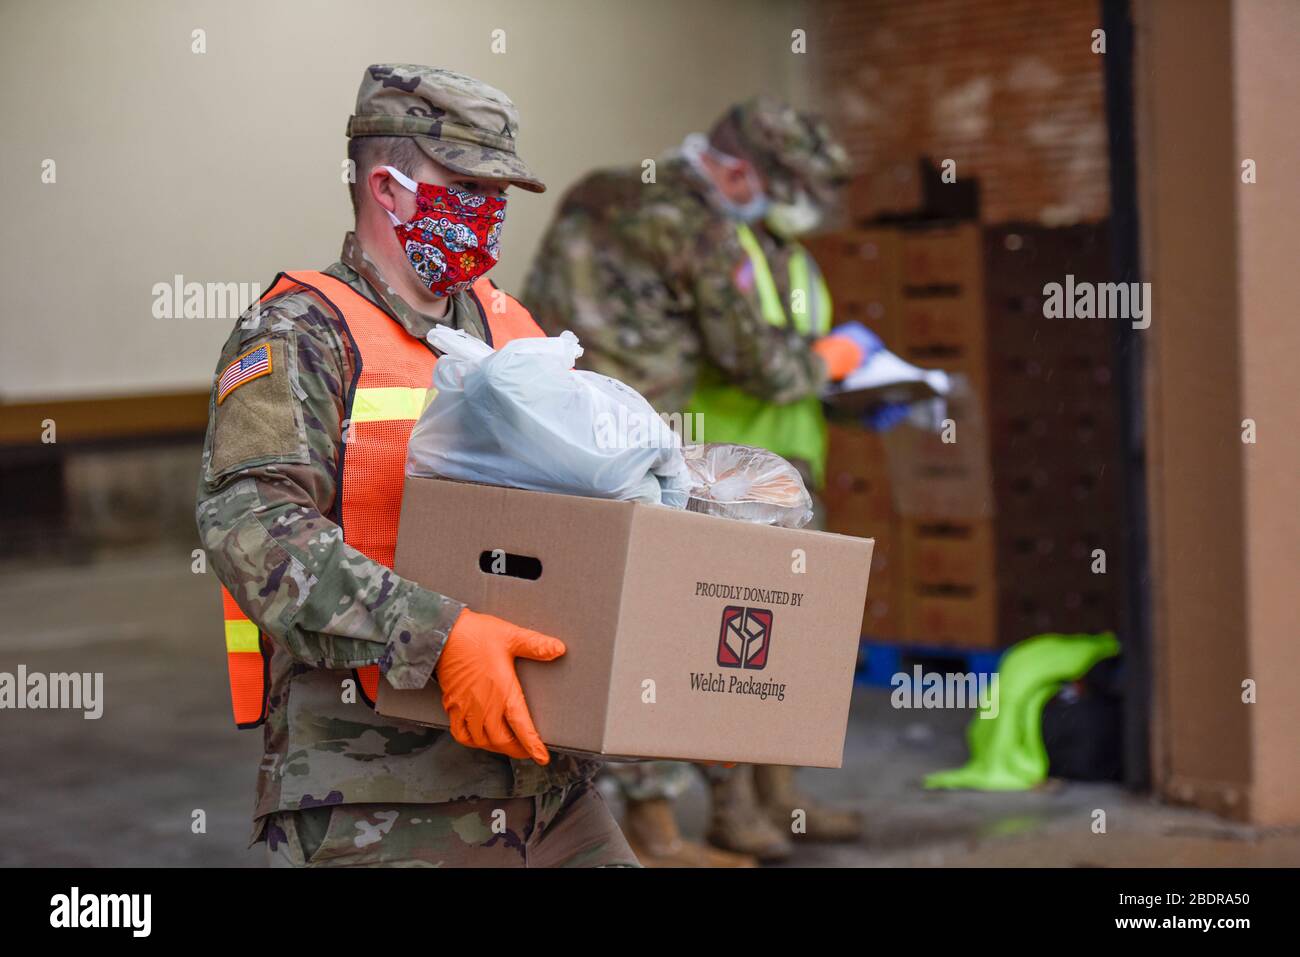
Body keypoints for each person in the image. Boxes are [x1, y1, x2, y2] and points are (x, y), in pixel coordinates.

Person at [197, 64, 638, 868]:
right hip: (378, 787)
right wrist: (442, 635)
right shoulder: (298, 333)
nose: (489, 212)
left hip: (543, 777)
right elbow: (252, 531)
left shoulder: (511, 328)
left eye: (500, 191)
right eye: (466, 185)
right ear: (387, 189)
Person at [523, 96, 888, 864]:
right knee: (678, 640)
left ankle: (704, 817)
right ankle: (658, 836)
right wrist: (843, 363)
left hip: (553, 423)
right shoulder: (703, 229)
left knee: (616, 631)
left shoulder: (603, 188)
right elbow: (763, 362)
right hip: (652, 444)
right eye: (786, 192)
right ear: (737, 169)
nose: (793, 213)